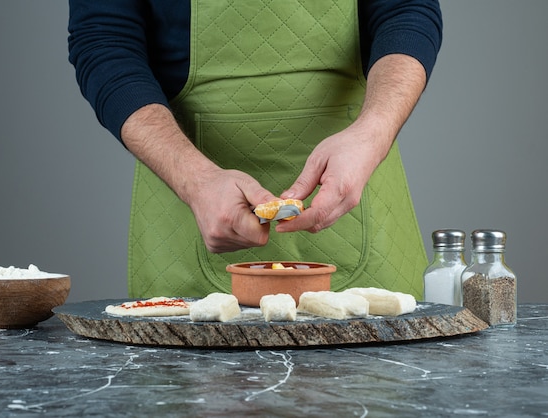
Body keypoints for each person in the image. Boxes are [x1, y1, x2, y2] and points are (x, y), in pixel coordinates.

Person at [68, 0, 443, 300]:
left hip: (359, 196)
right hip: (189, 206)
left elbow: (407, 9)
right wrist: (195, 181)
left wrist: (372, 133)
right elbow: (104, 42)